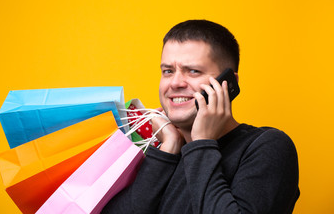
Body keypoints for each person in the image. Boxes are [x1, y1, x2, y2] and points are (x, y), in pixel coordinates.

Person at [102, 20, 300, 213]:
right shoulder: (154, 150)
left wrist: (202, 142)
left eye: (193, 71)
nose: (175, 83)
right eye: (168, 71)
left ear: (228, 82)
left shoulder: (267, 146)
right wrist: (168, 149)